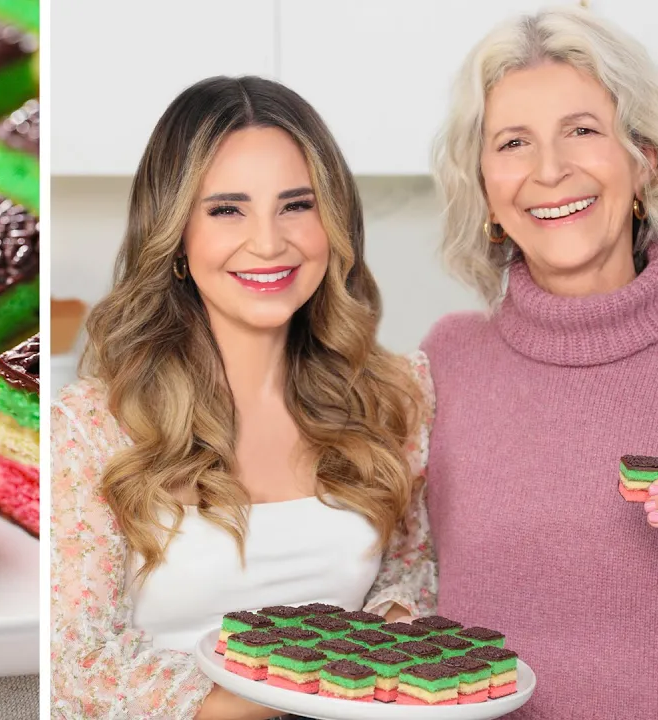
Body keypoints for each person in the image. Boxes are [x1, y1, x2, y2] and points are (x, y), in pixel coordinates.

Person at [423, 7, 658, 718]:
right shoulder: (445, 363)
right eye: (514, 143)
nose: (550, 170)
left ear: (644, 160)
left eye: (582, 131)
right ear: (487, 189)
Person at [49, 76, 436, 719]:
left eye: (297, 205)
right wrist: (300, 691)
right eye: (227, 209)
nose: (268, 242)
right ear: (175, 237)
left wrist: (396, 618)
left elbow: (409, 577)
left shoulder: (395, 398)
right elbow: (73, 663)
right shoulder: (93, 426)